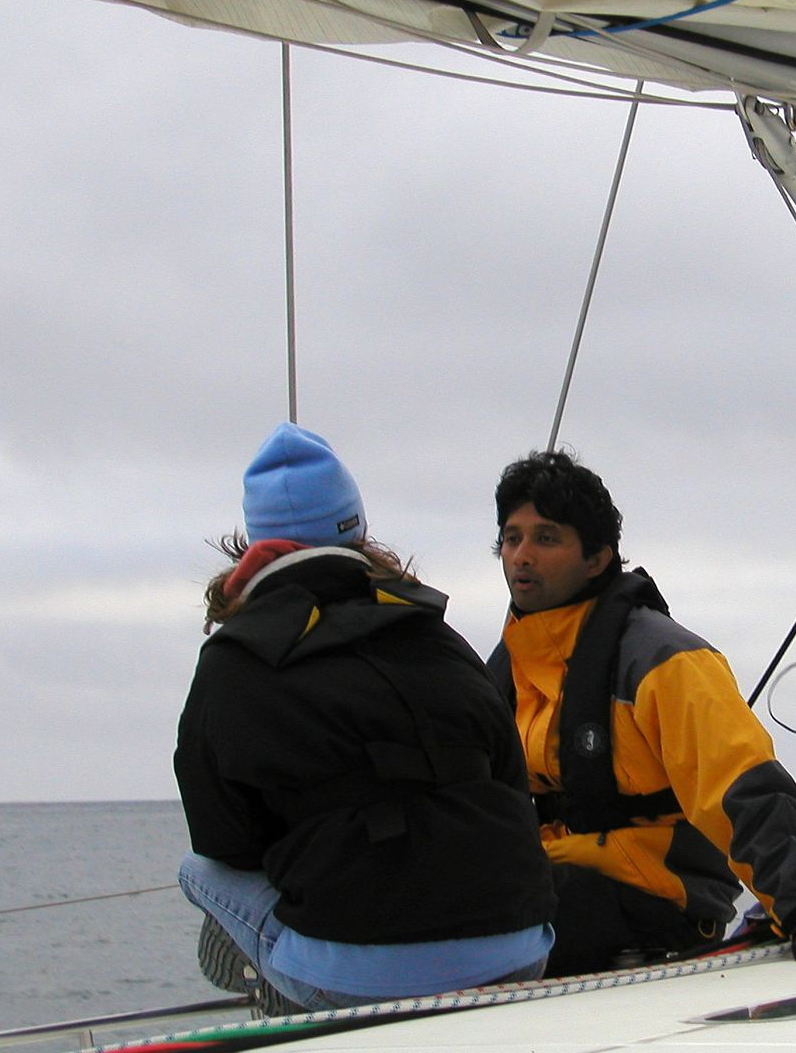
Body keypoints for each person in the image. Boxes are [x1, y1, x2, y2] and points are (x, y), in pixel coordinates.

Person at [174, 422, 556, 1013]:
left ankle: (283, 996)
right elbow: (510, 782)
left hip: (358, 980)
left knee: (198, 870)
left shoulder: (234, 661)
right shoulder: (437, 635)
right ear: (356, 529)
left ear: (253, 546)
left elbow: (224, 840)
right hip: (518, 949)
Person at [487, 450, 796, 974]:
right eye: (512, 538)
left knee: (486, 917)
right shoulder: (511, 668)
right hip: (550, 873)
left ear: (597, 558)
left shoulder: (663, 660)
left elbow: (742, 784)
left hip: (654, 893)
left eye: (546, 538)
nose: (521, 556)